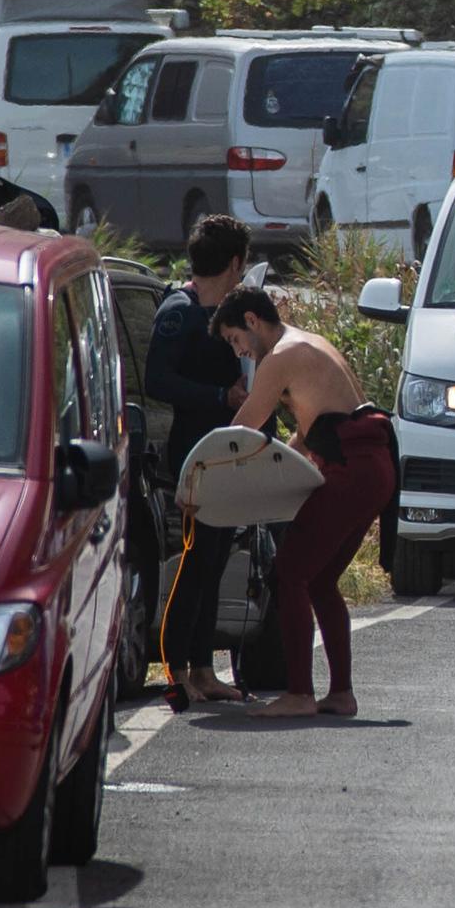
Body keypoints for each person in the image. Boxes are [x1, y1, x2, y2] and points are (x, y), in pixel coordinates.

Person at [213, 286, 396, 718]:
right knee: (317, 580)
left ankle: (299, 693)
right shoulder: (310, 342)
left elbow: (245, 428)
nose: (240, 351)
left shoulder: (280, 356)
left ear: (253, 322)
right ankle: (341, 693)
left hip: (353, 469)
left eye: (235, 340)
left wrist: (210, 474)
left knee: (289, 573)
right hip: (372, 468)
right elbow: (307, 431)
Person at [146, 214, 253, 703]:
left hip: (229, 456)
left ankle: (205, 668)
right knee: (194, 561)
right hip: (194, 457)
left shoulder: (229, 313)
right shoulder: (180, 310)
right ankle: (176, 670)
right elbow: (158, 382)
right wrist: (216, 397)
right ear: (234, 263)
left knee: (214, 561)